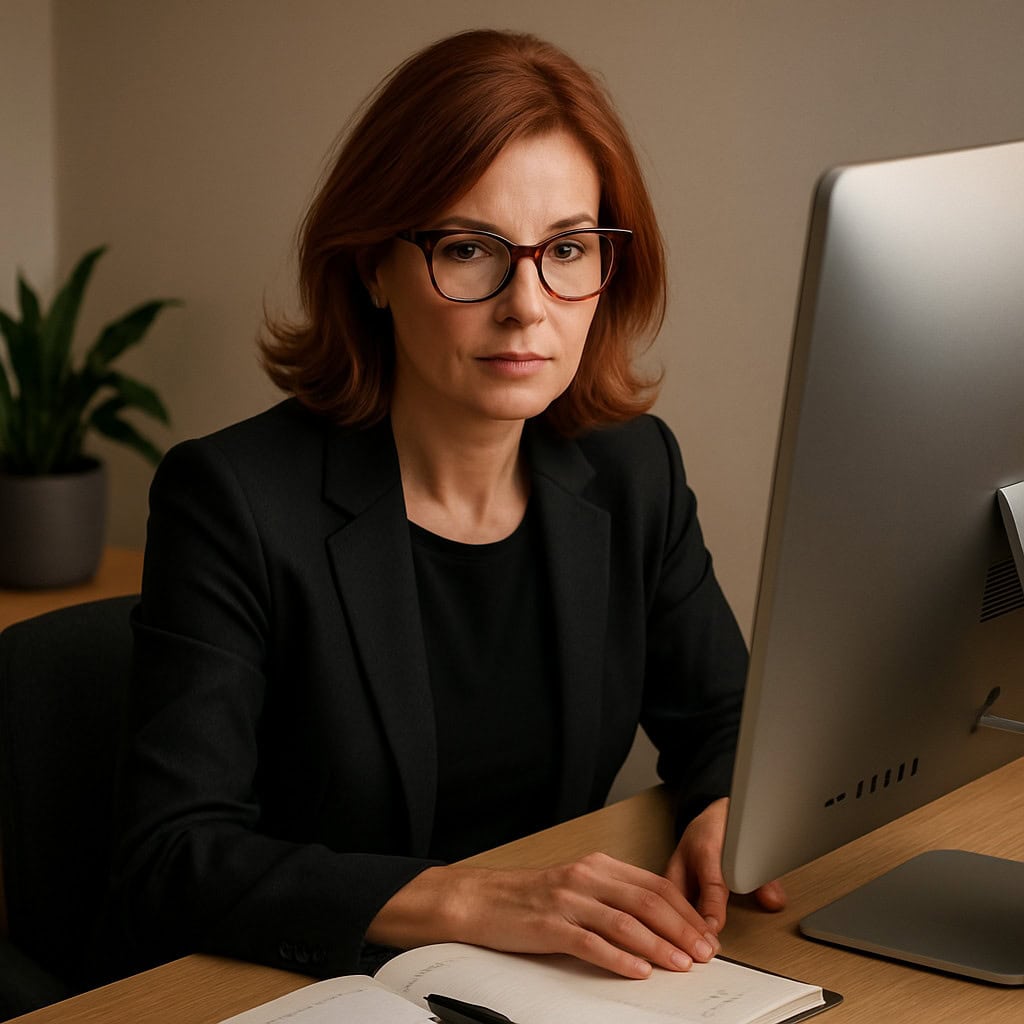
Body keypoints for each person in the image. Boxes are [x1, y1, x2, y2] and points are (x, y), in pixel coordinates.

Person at [107, 28, 784, 986]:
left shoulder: (633, 470)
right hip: (316, 989)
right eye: (468, 249)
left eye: (569, 249)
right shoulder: (233, 500)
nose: (527, 304)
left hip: (560, 981)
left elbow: (726, 720)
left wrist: (722, 804)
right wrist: (464, 900)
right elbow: (170, 857)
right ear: (371, 267)